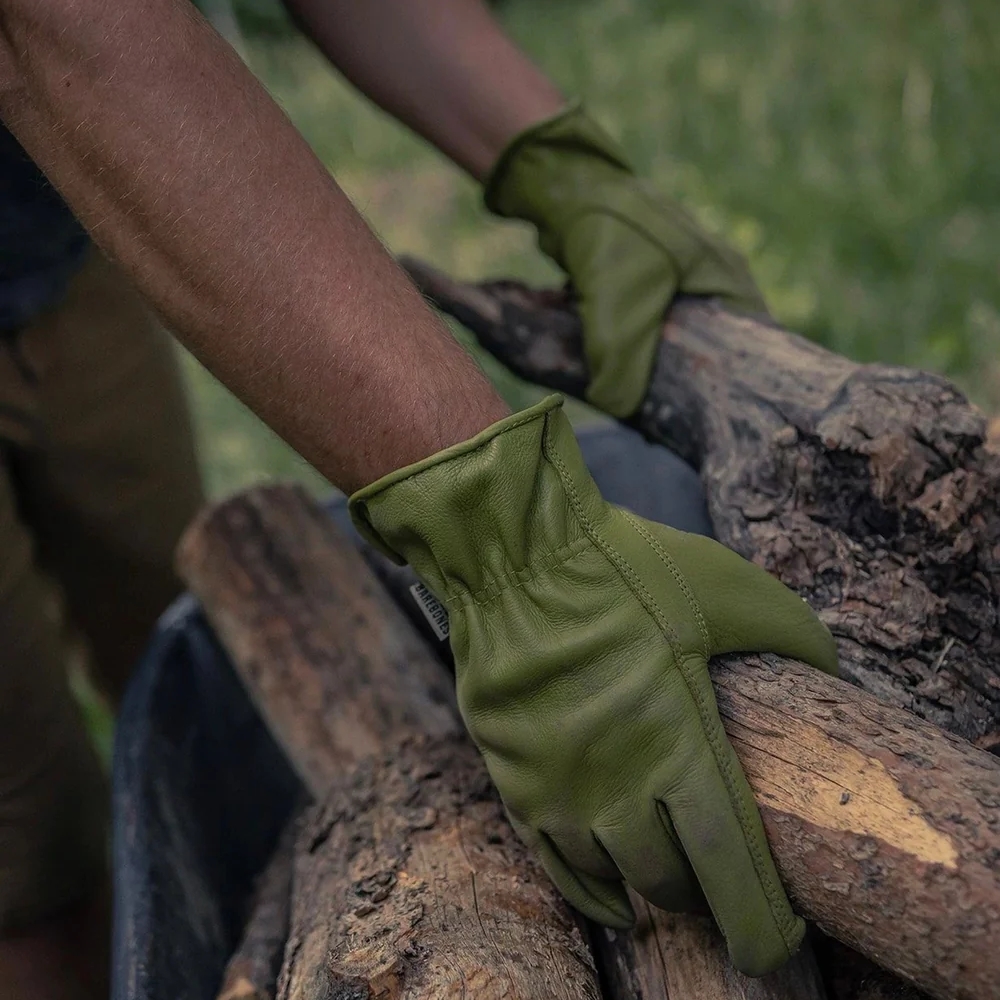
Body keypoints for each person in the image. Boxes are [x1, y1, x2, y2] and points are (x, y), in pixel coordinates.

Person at [0, 1, 838, 997]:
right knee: (29, 859)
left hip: (49, 237)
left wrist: (564, 168)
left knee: (175, 673)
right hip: (70, 84)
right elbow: (54, 27)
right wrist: (510, 552)